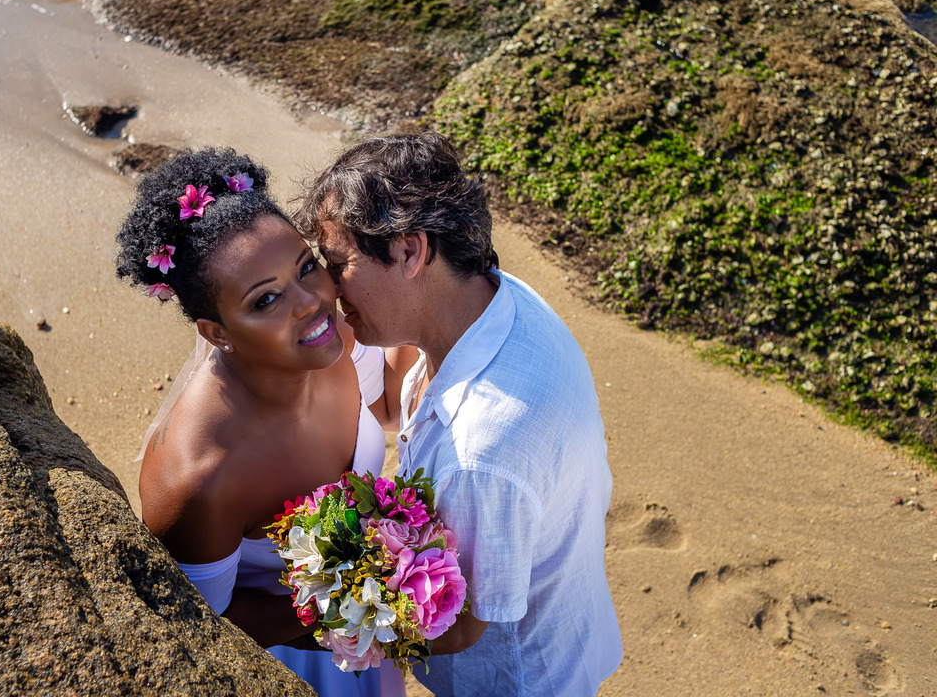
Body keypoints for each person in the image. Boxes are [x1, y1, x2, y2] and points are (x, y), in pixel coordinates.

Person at [295, 132, 623, 697]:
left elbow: (465, 621)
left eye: (339, 263)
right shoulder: (497, 296)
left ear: (410, 251)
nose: (327, 287)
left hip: (514, 680)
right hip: (568, 618)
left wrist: (328, 603)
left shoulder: (479, 450)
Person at [115, 148, 406, 697]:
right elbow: (206, 623)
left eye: (306, 268)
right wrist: (351, 603)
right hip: (294, 666)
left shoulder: (335, 339)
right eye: (266, 298)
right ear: (215, 333)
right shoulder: (201, 480)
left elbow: (388, 401)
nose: (312, 303)